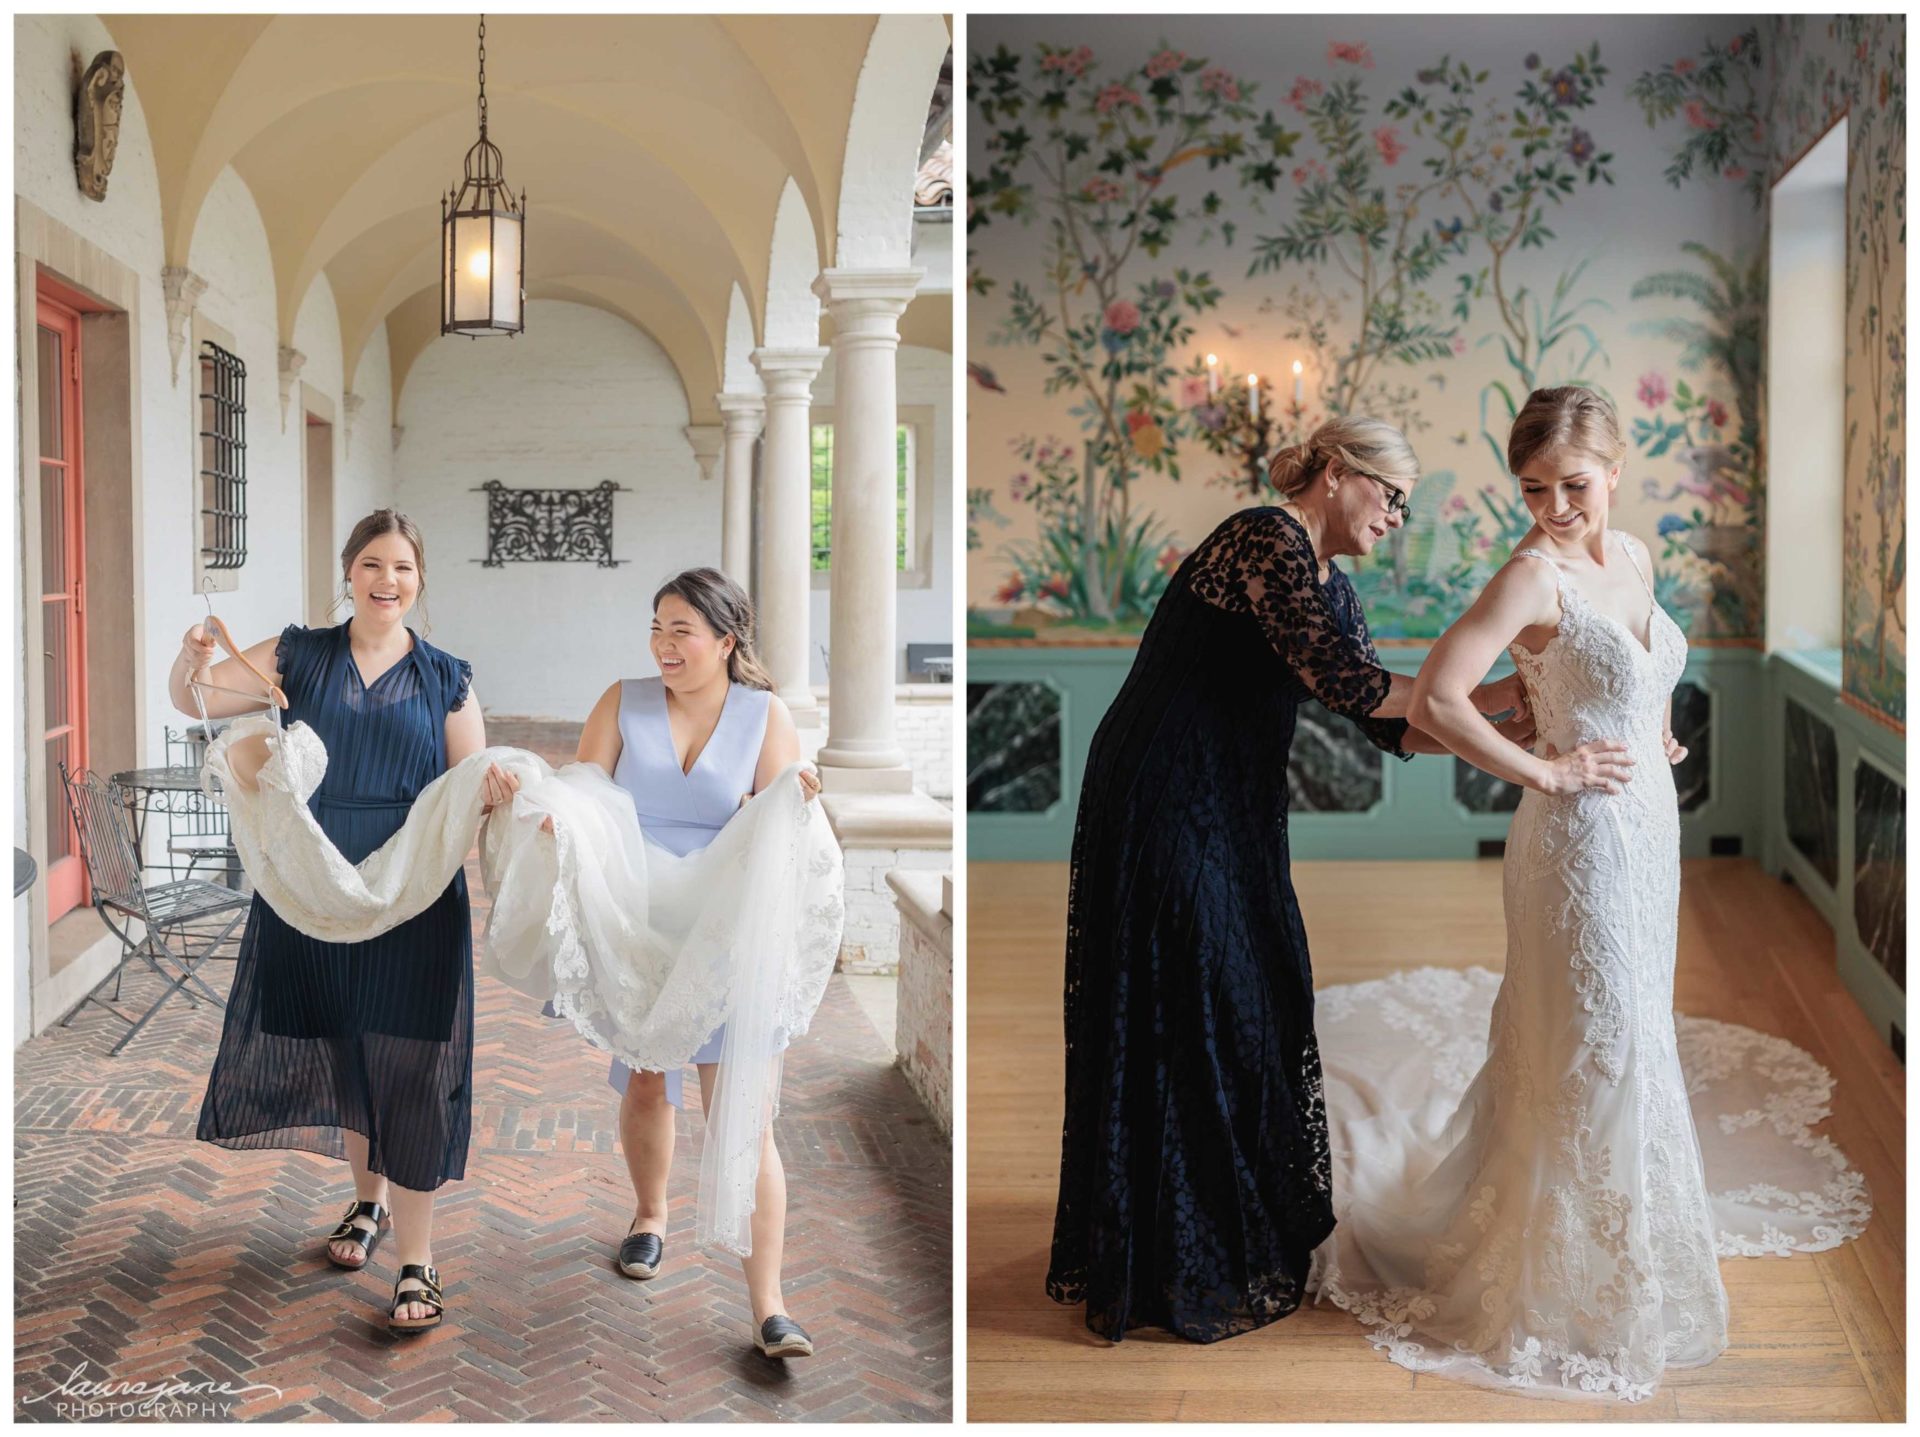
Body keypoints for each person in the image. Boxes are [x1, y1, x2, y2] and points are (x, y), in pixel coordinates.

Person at [1309, 386, 1870, 1401]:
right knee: (1593, 1041)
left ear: (1614, 470)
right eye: (1533, 487)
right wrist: (1547, 772)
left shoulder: (1637, 558)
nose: (1555, 506)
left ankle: (1628, 1246)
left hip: (1651, 833)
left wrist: (1652, 726)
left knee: (1632, 1035)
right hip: (1578, 846)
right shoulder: (1530, 574)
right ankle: (1569, 1278)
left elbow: (1630, 670)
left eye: (1573, 484)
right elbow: (1435, 701)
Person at [1046, 416, 1625, 1343]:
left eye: (1403, 504)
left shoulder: (1337, 591)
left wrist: (1527, 709)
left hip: (1233, 806)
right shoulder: (1263, 539)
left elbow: (1397, 727)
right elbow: (1363, 686)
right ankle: (1163, 1252)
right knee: (1193, 996)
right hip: (1159, 791)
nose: (1396, 517)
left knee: (1262, 991)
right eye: (1390, 496)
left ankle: (1229, 1228)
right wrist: (1498, 692)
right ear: (1337, 474)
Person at [173, 509, 515, 1334]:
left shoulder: (447, 678)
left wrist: (503, 797)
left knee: (410, 1070)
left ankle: (419, 1260)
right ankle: (368, 1206)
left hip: (411, 898)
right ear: (348, 571)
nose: (386, 579)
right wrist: (194, 660)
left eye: (401, 565)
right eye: (371, 563)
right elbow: (198, 703)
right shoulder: (299, 652)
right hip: (312, 887)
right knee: (347, 1050)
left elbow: (470, 786)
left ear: (419, 578)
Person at [508, 568, 823, 1358]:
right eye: (657, 627)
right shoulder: (621, 700)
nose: (664, 644)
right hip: (639, 925)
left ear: (726, 638)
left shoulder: (764, 714)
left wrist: (802, 796)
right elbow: (584, 791)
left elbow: (776, 813)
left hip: (721, 931)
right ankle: (649, 1217)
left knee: (744, 1110)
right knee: (647, 1077)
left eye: (682, 629)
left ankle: (770, 1306)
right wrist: (555, 820)